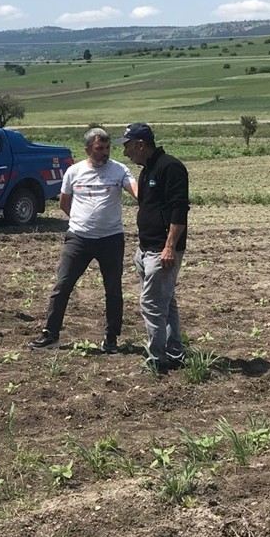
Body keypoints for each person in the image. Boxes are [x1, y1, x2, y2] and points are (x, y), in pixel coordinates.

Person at [30, 127, 137, 353]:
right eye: (100, 149)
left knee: (113, 289)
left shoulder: (119, 170)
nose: (105, 153)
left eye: (107, 148)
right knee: (62, 286)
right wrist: (82, 221)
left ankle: (111, 337)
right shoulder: (74, 172)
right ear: (88, 149)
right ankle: (50, 335)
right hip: (79, 239)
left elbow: (136, 191)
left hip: (111, 239)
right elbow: (64, 203)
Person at [117, 122, 190, 372]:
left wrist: (169, 247)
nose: (125, 152)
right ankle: (175, 352)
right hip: (146, 248)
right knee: (165, 302)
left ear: (140, 144)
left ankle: (156, 359)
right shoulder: (147, 169)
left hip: (162, 249)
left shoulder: (170, 167)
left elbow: (179, 210)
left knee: (151, 303)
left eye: (127, 146)